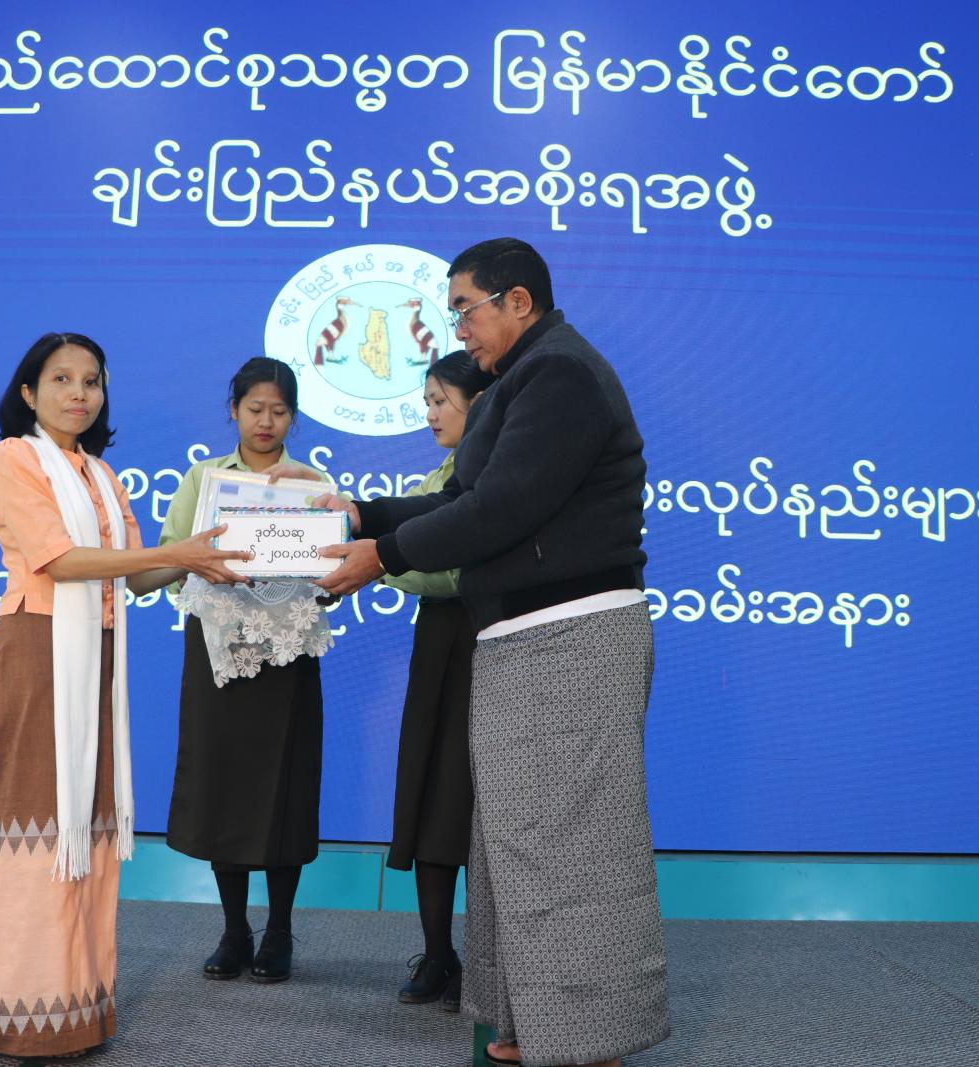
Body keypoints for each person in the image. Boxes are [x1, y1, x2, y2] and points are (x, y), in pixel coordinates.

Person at [315, 240, 670, 1067]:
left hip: (574, 634)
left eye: (464, 310)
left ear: (517, 300)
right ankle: (534, 1021)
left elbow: (502, 509)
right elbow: (462, 497)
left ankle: (593, 1040)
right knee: (516, 840)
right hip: (518, 637)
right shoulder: (518, 380)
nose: (458, 330)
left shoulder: (562, 374)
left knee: (576, 846)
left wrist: (382, 557)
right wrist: (369, 514)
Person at [0, 332, 249, 1060]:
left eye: (92, 380)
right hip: (37, 648)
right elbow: (59, 560)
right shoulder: (16, 458)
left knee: (87, 827)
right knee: (40, 825)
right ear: (29, 392)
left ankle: (79, 1008)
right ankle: (27, 1015)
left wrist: (203, 555)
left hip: (93, 653)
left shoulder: (100, 474)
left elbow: (134, 576)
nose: (79, 393)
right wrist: (175, 551)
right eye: (61, 379)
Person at [159, 356, 331, 984]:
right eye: (255, 409)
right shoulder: (204, 478)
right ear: (233, 410)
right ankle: (234, 930)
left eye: (279, 411)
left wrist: (316, 580)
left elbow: (334, 569)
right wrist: (201, 565)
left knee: (284, 787)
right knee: (224, 784)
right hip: (218, 649)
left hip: (287, 651)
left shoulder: (313, 482)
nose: (266, 421)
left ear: (293, 417)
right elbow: (169, 558)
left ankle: (279, 931)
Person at [382, 352, 495, 1012]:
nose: (428, 414)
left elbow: (455, 569)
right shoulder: (435, 478)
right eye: (426, 401)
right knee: (431, 799)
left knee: (474, 806)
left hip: (486, 644)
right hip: (438, 647)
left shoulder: (494, 473)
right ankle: (438, 954)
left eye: (438, 400)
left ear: (479, 404)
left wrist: (378, 563)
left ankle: (488, 963)